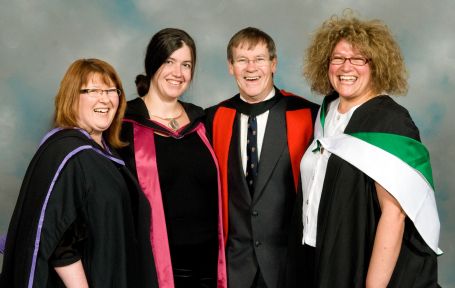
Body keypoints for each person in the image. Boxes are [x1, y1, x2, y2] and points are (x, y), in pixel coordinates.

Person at [290, 12, 442, 287]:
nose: (346, 67)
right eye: (337, 58)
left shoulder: (391, 122)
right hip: (317, 257)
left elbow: (394, 217)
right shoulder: (327, 113)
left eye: (358, 59)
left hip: (361, 264)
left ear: (377, 65)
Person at [0, 58, 158, 287]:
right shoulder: (70, 154)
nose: (104, 98)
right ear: (72, 98)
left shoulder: (104, 153)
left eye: (111, 90)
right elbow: (58, 241)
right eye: (93, 90)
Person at [205, 27, 319, 288]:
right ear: (231, 67)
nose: (251, 68)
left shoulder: (306, 115)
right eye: (242, 60)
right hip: (234, 266)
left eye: (259, 59)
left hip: (289, 266)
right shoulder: (214, 118)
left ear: (274, 64)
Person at [118, 28, 227, 288]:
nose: (178, 73)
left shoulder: (203, 121)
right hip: (156, 264)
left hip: (211, 262)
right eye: (169, 61)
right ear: (153, 64)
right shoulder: (124, 124)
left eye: (186, 64)